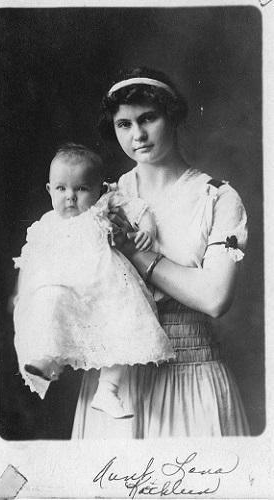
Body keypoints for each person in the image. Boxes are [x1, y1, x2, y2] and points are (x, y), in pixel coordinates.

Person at [72, 67, 250, 437]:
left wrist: (139, 255)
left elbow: (215, 298)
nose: (137, 135)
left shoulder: (216, 197)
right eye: (124, 124)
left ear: (173, 115)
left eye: (148, 118)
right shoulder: (105, 197)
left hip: (192, 376)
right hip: (118, 385)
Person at [13, 143, 174, 419]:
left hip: (105, 287)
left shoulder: (103, 205)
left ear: (99, 189)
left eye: (81, 189)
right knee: (47, 304)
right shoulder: (47, 224)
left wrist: (146, 228)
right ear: (50, 190)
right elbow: (30, 260)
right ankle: (47, 362)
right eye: (62, 189)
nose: (71, 197)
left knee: (124, 328)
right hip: (65, 290)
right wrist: (23, 291)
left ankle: (107, 390)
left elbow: (139, 208)